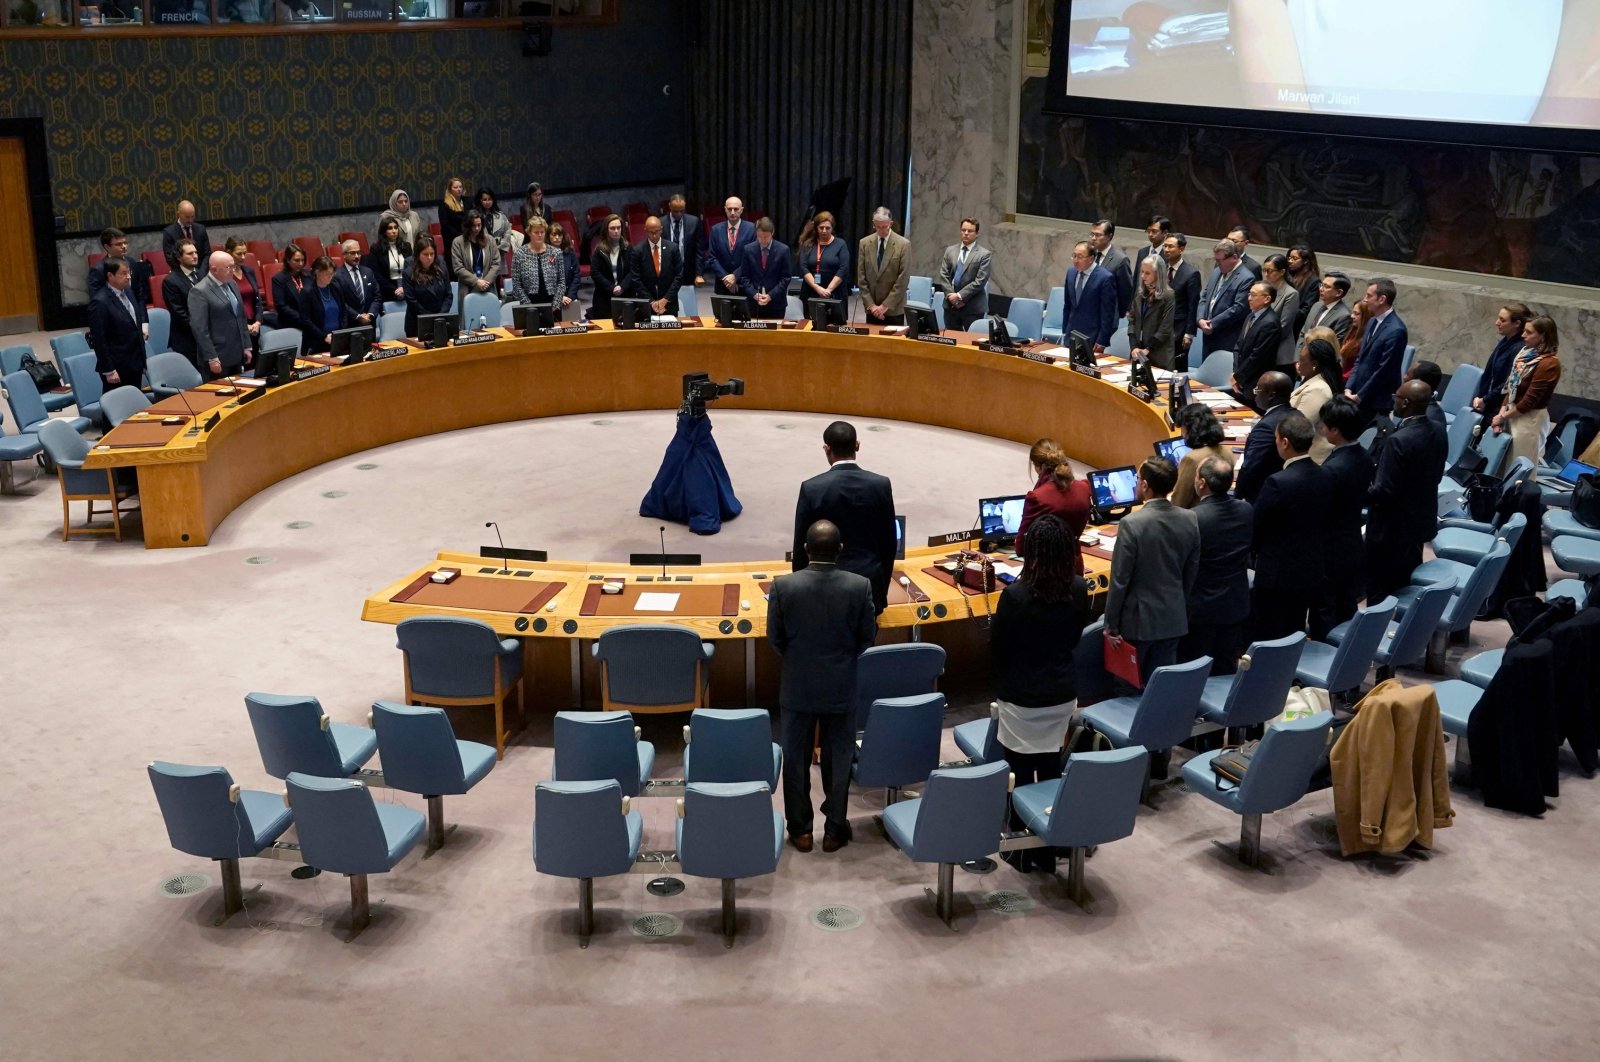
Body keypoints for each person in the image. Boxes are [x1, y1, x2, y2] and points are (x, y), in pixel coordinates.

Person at [767, 519, 878, 854]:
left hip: (798, 688)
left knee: (796, 760)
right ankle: (834, 830)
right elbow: (866, 637)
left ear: (805, 549)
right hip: (841, 687)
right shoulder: (859, 586)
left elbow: (775, 640)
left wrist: (801, 660)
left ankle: (800, 831)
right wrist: (841, 660)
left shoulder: (784, 586)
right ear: (840, 550)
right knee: (839, 759)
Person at [988, 513, 1089, 873]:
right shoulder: (1079, 588)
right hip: (1061, 693)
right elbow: (1075, 639)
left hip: (1021, 697)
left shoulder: (1015, 596)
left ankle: (1021, 849)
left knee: (1018, 771)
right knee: (1049, 767)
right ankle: (1049, 847)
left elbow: (998, 647)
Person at [1103, 456, 1200, 689]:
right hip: (1173, 618)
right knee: (1162, 687)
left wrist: (1110, 624)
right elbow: (1190, 572)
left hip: (1138, 623)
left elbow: (1119, 580)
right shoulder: (1190, 518)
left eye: (1137, 479)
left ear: (1145, 485)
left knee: (1129, 690)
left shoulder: (1131, 523)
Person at [791, 420, 897, 614]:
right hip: (869, 586)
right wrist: (880, 590)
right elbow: (889, 545)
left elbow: (801, 546)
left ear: (826, 449)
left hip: (822, 588)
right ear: (857, 445)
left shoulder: (812, 488)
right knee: (866, 642)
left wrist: (801, 590)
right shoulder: (881, 484)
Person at [1366, 380, 1448, 605]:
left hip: (1391, 528)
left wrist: (1356, 491)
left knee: (1379, 586)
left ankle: (1376, 633)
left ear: (1406, 403)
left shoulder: (1398, 440)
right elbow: (1437, 475)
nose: (1394, 400)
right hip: (1420, 520)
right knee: (1405, 581)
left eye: (1396, 397)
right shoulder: (1439, 430)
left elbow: (1384, 490)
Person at [1250, 411, 1329, 640]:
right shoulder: (1324, 474)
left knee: (1268, 632)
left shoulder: (1277, 482)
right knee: (1294, 627)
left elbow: (1258, 525)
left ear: (1285, 442)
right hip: (1310, 567)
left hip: (1276, 573)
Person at [1180, 456, 1252, 674]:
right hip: (1235, 603)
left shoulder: (1193, 518)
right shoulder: (1246, 509)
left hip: (1201, 609)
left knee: (1194, 670)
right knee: (1225, 667)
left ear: (1201, 483)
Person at [1311, 396, 1374, 638]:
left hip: (1330, 547)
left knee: (1325, 606)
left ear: (1335, 430)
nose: (1321, 429)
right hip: (1351, 539)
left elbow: (1321, 509)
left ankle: (1322, 658)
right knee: (1345, 604)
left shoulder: (1333, 469)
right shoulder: (1363, 456)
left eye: (1324, 425)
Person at [1491, 314, 1562, 466]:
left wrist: (1502, 417)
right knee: (1498, 466)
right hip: (1510, 413)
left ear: (1543, 336)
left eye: (1529, 332)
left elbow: (1529, 401)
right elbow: (1510, 387)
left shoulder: (1549, 364)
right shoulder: (1524, 354)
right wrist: (1500, 414)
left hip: (1529, 420)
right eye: (1524, 330)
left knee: (1516, 467)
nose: (1523, 335)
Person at [1015, 438, 1090, 572]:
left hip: (1044, 574)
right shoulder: (1084, 488)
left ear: (1037, 467)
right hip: (1075, 569)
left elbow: (1021, 548)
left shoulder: (1037, 497)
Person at [1344, 277, 1409, 426]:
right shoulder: (1372, 321)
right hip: (1357, 395)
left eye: (1369, 295)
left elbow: (1384, 370)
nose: (1365, 300)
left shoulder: (1396, 330)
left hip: (1375, 401)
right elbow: (1360, 359)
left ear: (1382, 299)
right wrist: (1349, 387)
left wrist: (1360, 396)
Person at [189, 249, 252, 378]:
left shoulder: (232, 284)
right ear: (214, 269)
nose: (233, 271)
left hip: (237, 352)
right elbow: (200, 329)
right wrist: (211, 357)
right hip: (217, 357)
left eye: (234, 266)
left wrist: (246, 345)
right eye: (229, 267)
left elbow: (240, 317)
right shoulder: (199, 291)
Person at [88, 259, 149, 391]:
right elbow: (99, 340)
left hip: (135, 362)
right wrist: (109, 370)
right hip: (117, 366)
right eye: (124, 273)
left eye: (129, 273)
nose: (128, 277)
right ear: (110, 276)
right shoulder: (100, 302)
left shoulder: (128, 292)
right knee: (117, 408)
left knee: (134, 405)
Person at [1236, 371, 1294, 503]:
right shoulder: (1298, 415)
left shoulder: (1266, 427)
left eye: (1258, 389)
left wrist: (1237, 497)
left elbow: (1250, 467)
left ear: (1271, 395)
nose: (1255, 393)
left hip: (1263, 496)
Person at [1472, 302, 1533, 416]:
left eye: (1502, 320)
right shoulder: (1505, 341)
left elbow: (1507, 383)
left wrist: (1485, 400)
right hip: (1487, 403)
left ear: (1517, 324)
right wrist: (1480, 398)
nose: (1497, 323)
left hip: (1498, 407)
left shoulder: (1518, 349)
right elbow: (1489, 373)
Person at [1291, 333, 1344, 463]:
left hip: (1309, 459)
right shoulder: (1312, 381)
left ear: (1314, 364)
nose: (1298, 363)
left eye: (1302, 360)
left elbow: (1296, 427)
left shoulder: (1318, 390)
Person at [933, 218, 992, 332]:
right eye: (963, 230)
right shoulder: (950, 250)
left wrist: (959, 296)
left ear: (977, 233)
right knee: (951, 339)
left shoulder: (984, 254)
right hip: (951, 306)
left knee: (971, 343)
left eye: (969, 231)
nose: (965, 233)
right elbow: (944, 275)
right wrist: (951, 295)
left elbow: (980, 281)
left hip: (972, 306)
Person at [1196, 237, 1253, 354]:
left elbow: (1238, 308)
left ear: (1234, 257)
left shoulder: (1246, 278)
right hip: (1208, 334)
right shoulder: (1217, 270)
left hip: (1226, 337)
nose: (1217, 263)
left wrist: (1213, 323)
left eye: (1220, 260)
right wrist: (1200, 319)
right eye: (1216, 260)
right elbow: (1205, 296)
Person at [1229, 281, 1282, 405]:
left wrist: (1238, 377)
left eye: (1253, 295)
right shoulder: (1250, 316)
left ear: (1267, 299)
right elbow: (1238, 347)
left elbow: (1257, 357)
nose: (1249, 298)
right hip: (1241, 378)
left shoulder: (1271, 323)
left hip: (1255, 382)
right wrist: (1235, 373)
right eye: (1249, 294)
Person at [1170, 403, 1232, 509]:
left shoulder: (1192, 459)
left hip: (1195, 517)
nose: (1182, 433)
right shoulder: (1227, 452)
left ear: (1191, 429)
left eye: (1183, 428)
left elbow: (1179, 501)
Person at [856, 206, 910, 325]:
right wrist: (871, 305)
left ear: (890, 223)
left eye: (884, 226)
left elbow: (903, 279)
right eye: (877, 226)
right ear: (873, 223)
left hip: (893, 309)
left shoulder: (903, 244)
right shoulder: (864, 243)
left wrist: (885, 306)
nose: (881, 230)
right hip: (872, 309)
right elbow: (861, 277)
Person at [1063, 240, 1117, 352]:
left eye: (1080, 257)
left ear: (1091, 259)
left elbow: (1108, 314)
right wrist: (1065, 330)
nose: (1075, 260)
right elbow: (1068, 305)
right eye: (1074, 256)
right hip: (1071, 334)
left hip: (1092, 337)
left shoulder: (1105, 278)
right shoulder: (1071, 272)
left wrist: (1102, 340)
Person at [737, 217, 793, 320]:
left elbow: (786, 278)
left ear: (772, 233)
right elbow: (744, 277)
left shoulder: (783, 250)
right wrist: (754, 294)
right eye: (759, 236)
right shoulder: (748, 249)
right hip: (753, 303)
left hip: (776, 303)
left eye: (766, 237)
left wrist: (771, 295)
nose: (762, 240)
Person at [510, 217, 569, 316]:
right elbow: (516, 285)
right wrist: (528, 306)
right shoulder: (520, 254)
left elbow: (562, 281)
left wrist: (556, 303)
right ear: (529, 233)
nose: (540, 235)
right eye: (536, 232)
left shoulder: (555, 252)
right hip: (528, 305)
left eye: (542, 232)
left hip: (552, 304)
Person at [798, 211, 848, 321]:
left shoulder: (841, 244)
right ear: (816, 228)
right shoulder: (808, 244)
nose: (824, 231)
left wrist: (828, 290)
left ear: (832, 228)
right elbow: (803, 267)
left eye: (827, 228)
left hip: (834, 292)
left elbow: (843, 269)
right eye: (821, 228)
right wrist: (818, 288)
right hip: (811, 290)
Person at [1160, 233, 1201, 368]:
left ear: (1181, 249)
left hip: (1178, 327)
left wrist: (1189, 333)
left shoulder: (1191, 273)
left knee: (1175, 365)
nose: (1166, 249)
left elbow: (1192, 305)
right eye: (1165, 246)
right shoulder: (1161, 268)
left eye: (1170, 246)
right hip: (1160, 325)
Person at [1128, 255, 1175, 369]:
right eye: (1142, 272)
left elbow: (1165, 328)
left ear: (1158, 274)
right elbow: (1132, 321)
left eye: (1147, 273)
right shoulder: (1140, 294)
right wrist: (1134, 347)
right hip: (1138, 353)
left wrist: (1148, 349)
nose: (1143, 276)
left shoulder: (1168, 295)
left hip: (1159, 355)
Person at [702, 196, 755, 297]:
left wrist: (735, 276)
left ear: (742, 210)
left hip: (744, 283)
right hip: (722, 284)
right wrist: (726, 278)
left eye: (736, 209)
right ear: (725, 209)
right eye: (729, 209)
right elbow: (712, 258)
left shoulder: (752, 228)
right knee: (722, 312)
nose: (733, 212)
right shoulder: (716, 230)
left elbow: (752, 258)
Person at [629, 216, 681, 316]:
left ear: (661, 229)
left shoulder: (673, 248)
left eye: (656, 231)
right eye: (650, 232)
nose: (654, 235)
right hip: (646, 305)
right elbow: (635, 279)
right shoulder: (637, 251)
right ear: (645, 230)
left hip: (669, 304)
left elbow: (679, 276)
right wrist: (651, 302)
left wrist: (665, 299)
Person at [163, 239, 204, 369]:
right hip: (187, 339)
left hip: (204, 335)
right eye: (190, 253)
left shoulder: (201, 274)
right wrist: (199, 327)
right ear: (179, 257)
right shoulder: (171, 281)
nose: (195, 256)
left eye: (196, 252)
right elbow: (178, 312)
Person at [88, 227, 153, 307]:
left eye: (125, 243)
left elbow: (139, 294)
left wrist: (143, 318)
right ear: (107, 247)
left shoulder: (132, 262)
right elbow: (97, 301)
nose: (124, 246)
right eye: (118, 244)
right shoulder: (98, 270)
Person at [402, 240, 452, 339]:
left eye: (432, 254)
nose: (429, 258)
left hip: (440, 320)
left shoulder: (442, 269)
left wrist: (440, 315)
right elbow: (411, 300)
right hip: (417, 322)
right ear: (418, 255)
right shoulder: (408, 273)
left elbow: (448, 295)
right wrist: (430, 317)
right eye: (425, 254)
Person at [450, 209, 500, 304]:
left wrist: (485, 282)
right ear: (468, 226)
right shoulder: (458, 242)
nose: (477, 228)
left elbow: (496, 263)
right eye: (473, 225)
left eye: (479, 225)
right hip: (467, 289)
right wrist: (476, 281)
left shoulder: (490, 240)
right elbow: (458, 268)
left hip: (488, 287)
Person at [588, 213, 631, 321]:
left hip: (625, 294)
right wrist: (612, 288)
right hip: (604, 297)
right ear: (606, 230)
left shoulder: (628, 248)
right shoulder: (600, 250)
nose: (616, 231)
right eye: (612, 228)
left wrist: (622, 286)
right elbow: (595, 273)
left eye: (618, 228)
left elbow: (633, 271)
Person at [1260, 253, 1300, 367]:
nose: (1266, 274)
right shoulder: (1263, 288)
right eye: (1264, 270)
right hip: (1260, 347)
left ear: (1282, 272)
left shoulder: (1291, 294)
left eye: (1270, 271)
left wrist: (1262, 342)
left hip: (1278, 351)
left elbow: (1284, 327)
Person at [299, 256, 344, 354]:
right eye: (327, 273)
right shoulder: (307, 292)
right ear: (317, 272)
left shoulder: (335, 288)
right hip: (316, 343)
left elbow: (343, 312)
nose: (330, 276)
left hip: (336, 340)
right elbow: (306, 321)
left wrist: (341, 333)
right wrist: (324, 336)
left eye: (332, 273)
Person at [1088, 219, 1133, 317]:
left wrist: (1118, 315)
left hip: (1107, 316)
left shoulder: (1120, 260)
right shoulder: (1089, 255)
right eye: (1092, 234)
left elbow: (1126, 292)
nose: (1093, 238)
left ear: (1109, 236)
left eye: (1098, 235)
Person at [332, 239, 379, 329]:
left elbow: (377, 296)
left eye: (358, 252)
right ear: (344, 255)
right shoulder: (337, 276)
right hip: (350, 324)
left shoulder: (368, 272)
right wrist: (358, 316)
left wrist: (370, 314)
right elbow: (340, 302)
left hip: (369, 323)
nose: (357, 256)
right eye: (352, 253)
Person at [365, 215, 412, 304]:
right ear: (384, 231)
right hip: (387, 289)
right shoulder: (376, 249)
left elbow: (412, 268)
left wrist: (404, 287)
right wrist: (394, 289)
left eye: (395, 227)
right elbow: (376, 274)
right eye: (390, 228)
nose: (394, 231)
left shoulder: (406, 246)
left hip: (406, 285)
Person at [1300, 271, 1353, 346]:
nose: (1321, 289)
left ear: (1339, 293)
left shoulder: (1344, 316)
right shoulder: (1316, 305)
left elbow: (1334, 346)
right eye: (1321, 285)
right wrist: (1298, 356)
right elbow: (1303, 333)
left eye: (1326, 286)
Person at [270, 244, 310, 336]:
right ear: (288, 260)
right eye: (296, 260)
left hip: (309, 322)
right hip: (290, 323)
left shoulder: (308, 275)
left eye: (302, 260)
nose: (300, 263)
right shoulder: (279, 279)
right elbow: (281, 306)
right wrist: (303, 318)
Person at [663, 194, 701, 288]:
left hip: (687, 270)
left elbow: (699, 250)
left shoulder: (694, 222)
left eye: (681, 211)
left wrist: (699, 274)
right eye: (675, 211)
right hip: (667, 271)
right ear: (669, 206)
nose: (679, 214)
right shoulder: (661, 223)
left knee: (687, 301)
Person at [161, 200, 211, 269]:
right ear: (178, 214)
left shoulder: (201, 229)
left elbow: (207, 254)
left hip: (201, 271)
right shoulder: (169, 232)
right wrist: (187, 272)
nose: (190, 220)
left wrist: (201, 271)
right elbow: (171, 259)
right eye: (187, 217)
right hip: (181, 273)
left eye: (192, 216)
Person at [1406, 359, 1450, 435]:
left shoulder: (1426, 419)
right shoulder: (1414, 403)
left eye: (1407, 374)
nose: (1404, 377)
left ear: (1417, 384)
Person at [1285, 244, 1321, 334]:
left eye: (1294, 258)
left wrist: (1285, 309)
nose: (1290, 261)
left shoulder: (1314, 281)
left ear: (1305, 261)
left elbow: (1306, 311)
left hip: (1295, 328)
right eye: (1289, 258)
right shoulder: (1288, 274)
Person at [547, 221, 582, 311]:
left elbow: (577, 275)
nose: (557, 238)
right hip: (551, 299)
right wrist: (559, 297)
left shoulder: (570, 253)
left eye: (559, 235)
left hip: (570, 297)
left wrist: (570, 296)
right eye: (554, 235)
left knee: (572, 324)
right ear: (548, 237)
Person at [1336, 298, 1369, 381]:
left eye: (1356, 314)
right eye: (1352, 312)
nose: (1352, 316)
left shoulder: (1365, 339)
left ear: (1366, 316)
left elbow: (1355, 368)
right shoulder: (1352, 331)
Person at [476, 186, 513, 256]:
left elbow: (508, 232)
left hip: (500, 253)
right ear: (480, 200)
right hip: (483, 252)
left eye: (489, 199)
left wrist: (500, 247)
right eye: (484, 199)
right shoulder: (476, 217)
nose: (487, 202)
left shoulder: (501, 215)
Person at [438, 176, 467, 253]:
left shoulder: (466, 201)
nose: (459, 189)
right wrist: (460, 235)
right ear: (450, 189)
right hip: (451, 240)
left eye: (460, 187)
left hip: (466, 238)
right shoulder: (444, 204)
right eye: (456, 187)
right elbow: (445, 225)